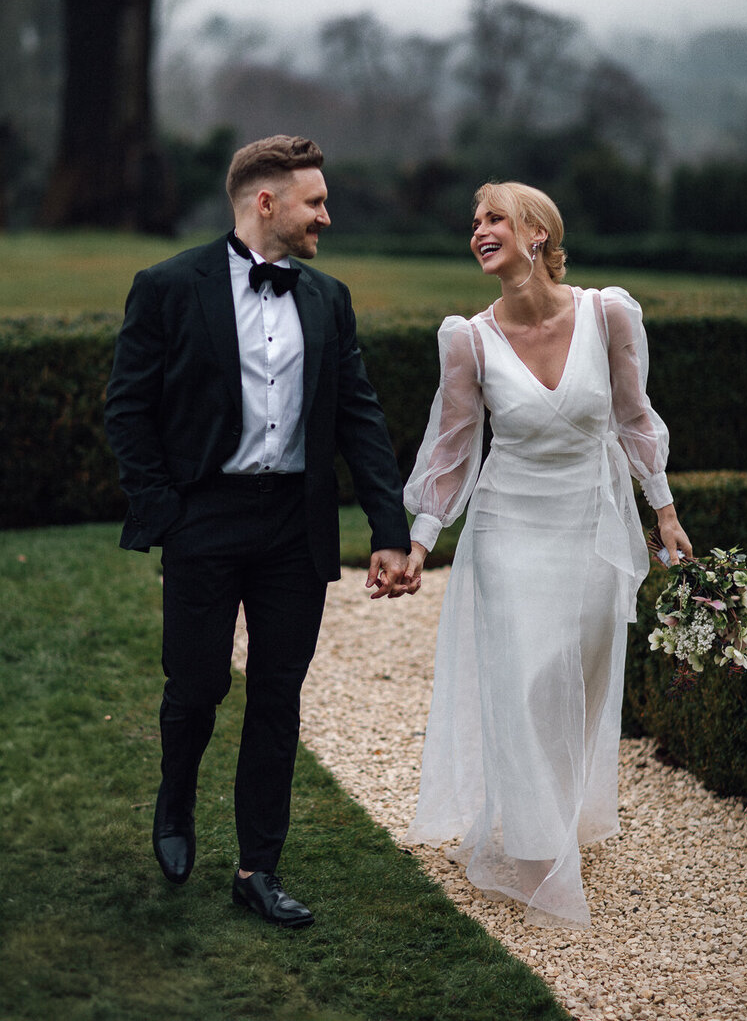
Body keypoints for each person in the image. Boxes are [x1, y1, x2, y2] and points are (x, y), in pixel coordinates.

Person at [105, 135, 411, 929]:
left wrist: (388, 525)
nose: (327, 217)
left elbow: (358, 415)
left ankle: (257, 868)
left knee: (278, 697)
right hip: (204, 518)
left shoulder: (328, 297)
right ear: (265, 203)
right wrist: (165, 509)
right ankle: (175, 805)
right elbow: (127, 410)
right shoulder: (169, 286)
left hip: (293, 530)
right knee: (198, 683)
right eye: (315, 202)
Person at [402, 181, 691, 928]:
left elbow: (633, 417)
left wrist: (664, 513)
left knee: (583, 680)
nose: (479, 230)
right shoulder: (467, 338)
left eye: (494, 218)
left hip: (593, 525)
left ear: (537, 233)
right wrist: (420, 540)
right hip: (509, 528)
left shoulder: (609, 313)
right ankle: (537, 855)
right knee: (526, 679)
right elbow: (453, 448)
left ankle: (557, 816)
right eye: (474, 221)